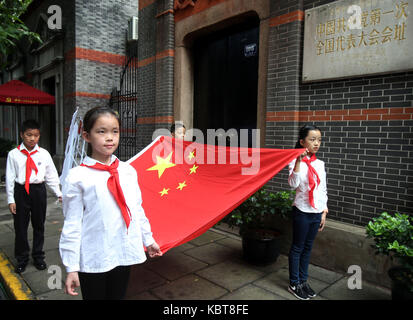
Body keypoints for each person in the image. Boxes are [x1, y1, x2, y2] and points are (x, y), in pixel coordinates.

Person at [60, 106, 162, 300]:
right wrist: (71, 267)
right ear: (86, 136)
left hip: (122, 251)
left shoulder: (128, 171)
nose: (110, 137)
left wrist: (148, 240)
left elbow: (136, 209)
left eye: (115, 131)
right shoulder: (77, 177)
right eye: (101, 131)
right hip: (94, 255)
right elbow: (72, 224)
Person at [6, 119, 62, 274]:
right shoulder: (13, 155)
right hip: (20, 192)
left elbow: (51, 175)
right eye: (29, 135)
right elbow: (10, 178)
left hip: (38, 191)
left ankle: (38, 256)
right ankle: (22, 258)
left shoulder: (44, 154)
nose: (32, 138)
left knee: (39, 225)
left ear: (39, 136)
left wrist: (58, 192)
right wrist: (11, 199)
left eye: (36, 135)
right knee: (20, 226)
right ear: (22, 135)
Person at [287, 124, 328, 300]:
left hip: (316, 212)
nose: (316, 143)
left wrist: (324, 211)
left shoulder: (320, 164)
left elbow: (323, 190)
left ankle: (303, 281)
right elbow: (293, 184)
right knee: (297, 248)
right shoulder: (295, 162)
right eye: (312, 139)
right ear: (302, 141)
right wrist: (297, 160)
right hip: (302, 211)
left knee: (308, 248)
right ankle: (294, 283)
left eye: (319, 139)